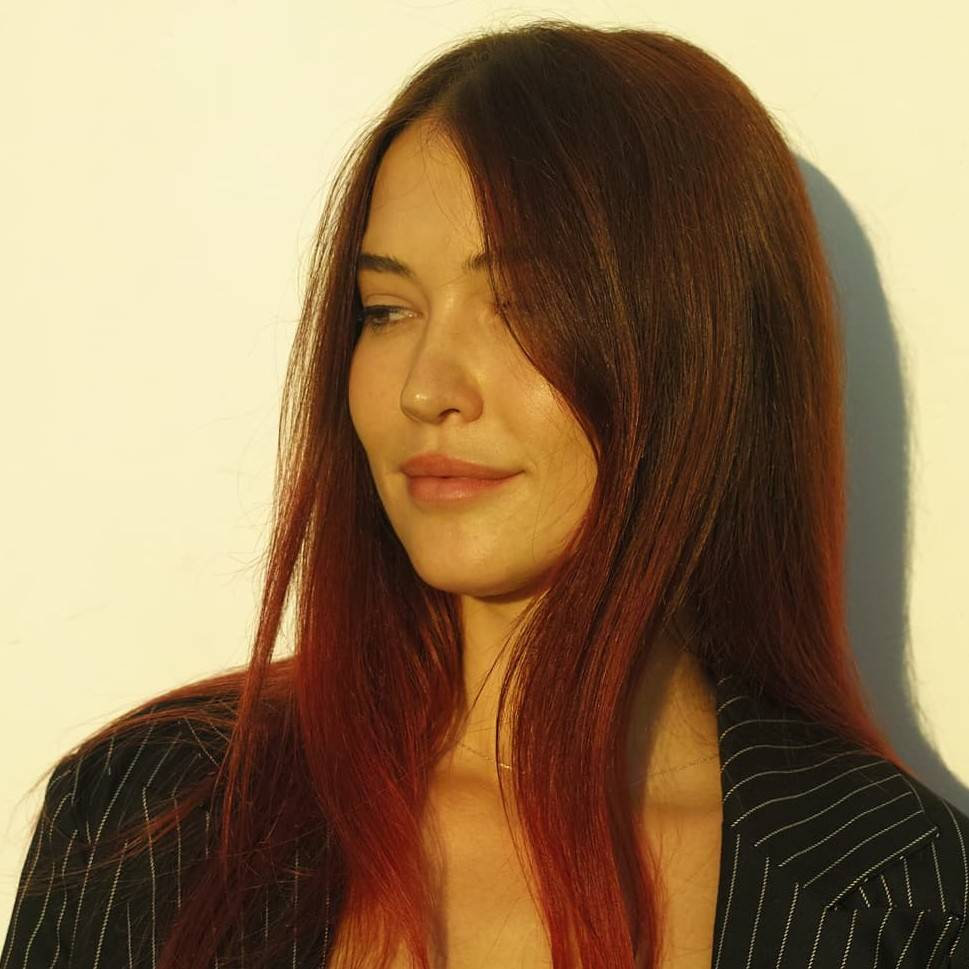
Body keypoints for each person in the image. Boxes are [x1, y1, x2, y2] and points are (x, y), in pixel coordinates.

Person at [3, 18, 968, 969]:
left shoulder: (905, 901)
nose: (425, 389)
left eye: (519, 305)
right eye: (386, 310)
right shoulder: (150, 809)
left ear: (698, 347)